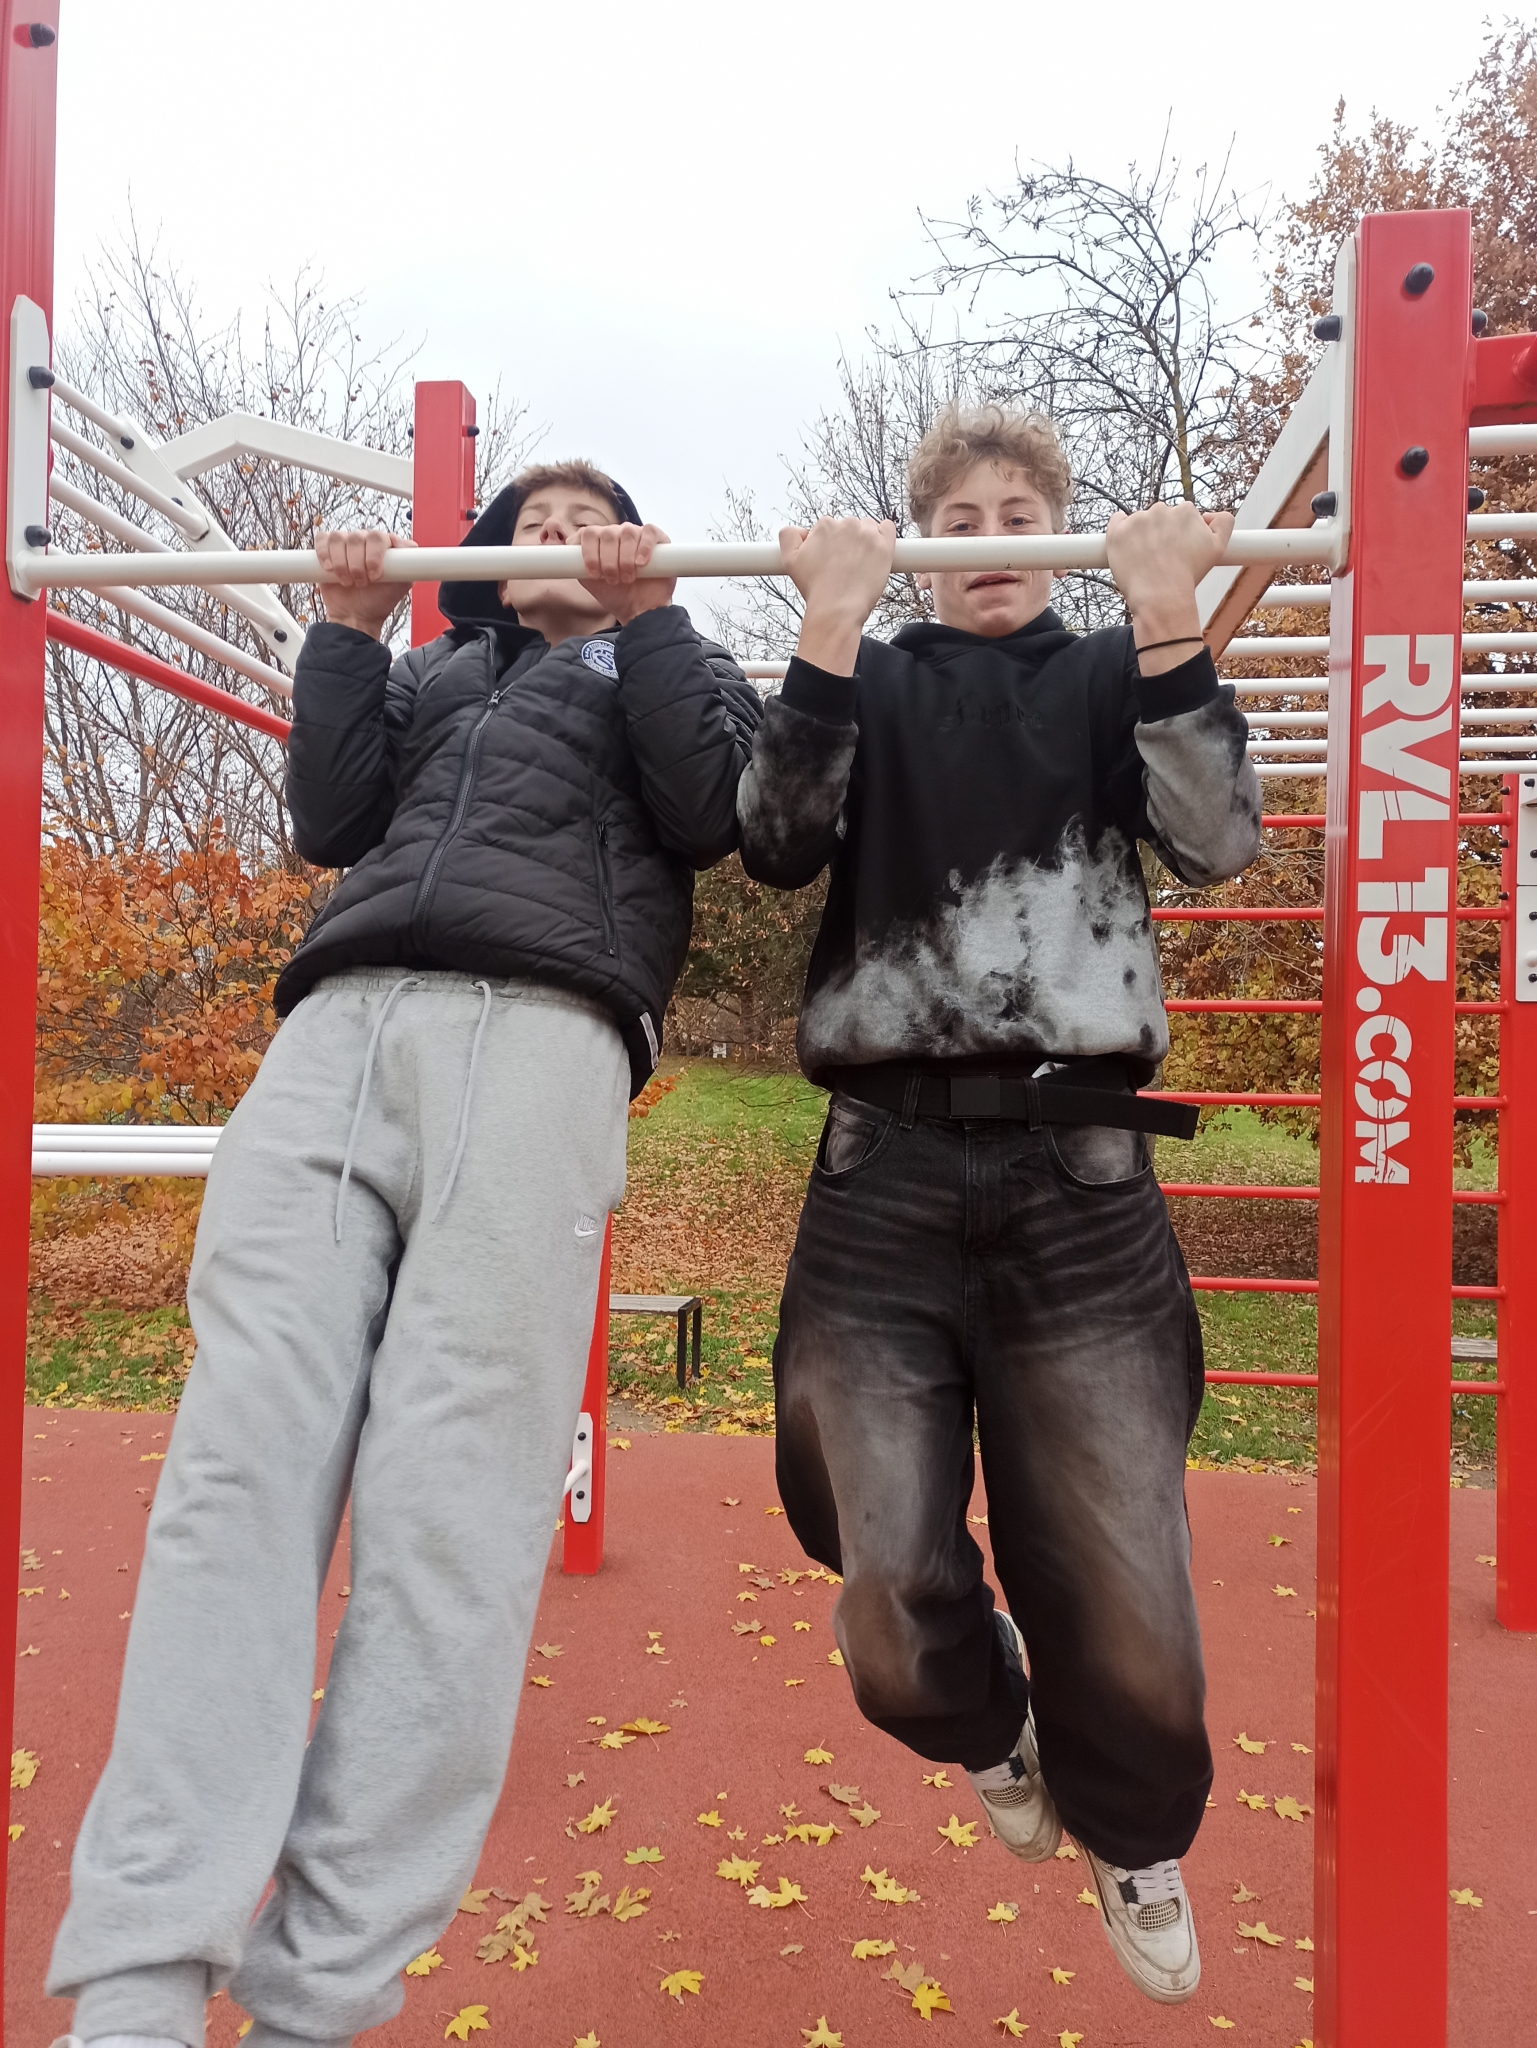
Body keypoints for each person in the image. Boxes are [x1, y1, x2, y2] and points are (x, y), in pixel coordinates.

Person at [47, 463, 761, 2048]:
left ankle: (318, 1997)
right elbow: (329, 820)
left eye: (587, 518)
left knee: (454, 1512)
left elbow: (715, 817)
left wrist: (652, 622)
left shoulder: (680, 665)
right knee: (233, 1473)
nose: (555, 537)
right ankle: (141, 1975)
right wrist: (345, 629)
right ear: (483, 562)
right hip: (337, 1026)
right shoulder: (435, 674)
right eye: (528, 523)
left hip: (547, 1032)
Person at [737, 405, 1262, 2005]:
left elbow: (1214, 843)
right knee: (880, 1587)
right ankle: (988, 1723)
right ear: (919, 548)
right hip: (880, 1172)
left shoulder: (1108, 673)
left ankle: (1133, 1834)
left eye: (1019, 512)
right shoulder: (875, 678)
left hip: (1074, 1176)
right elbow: (774, 842)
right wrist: (828, 624)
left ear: (1059, 537)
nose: (989, 539)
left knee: (1123, 1581)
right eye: (955, 519)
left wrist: (1163, 609)